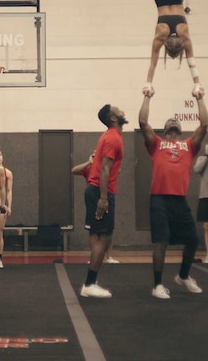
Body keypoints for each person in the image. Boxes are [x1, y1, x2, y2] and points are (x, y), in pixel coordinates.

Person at [139, 89, 208, 299]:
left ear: (180, 129)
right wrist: (148, 96)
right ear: (166, 129)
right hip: (159, 198)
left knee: (193, 241)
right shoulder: (157, 144)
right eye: (170, 122)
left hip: (179, 200)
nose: (173, 123)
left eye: (176, 122)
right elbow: (143, 122)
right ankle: (157, 285)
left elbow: (204, 125)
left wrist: (200, 98)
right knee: (162, 242)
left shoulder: (189, 145)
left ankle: (184, 276)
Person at [80, 105, 127, 298]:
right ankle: (89, 284)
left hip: (100, 191)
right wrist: (104, 198)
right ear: (113, 118)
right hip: (100, 192)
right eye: (118, 109)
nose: (122, 110)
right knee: (103, 237)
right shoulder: (112, 138)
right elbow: (105, 169)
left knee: (104, 237)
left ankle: (92, 281)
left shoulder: (112, 136)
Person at [71, 152, 119, 265]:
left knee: (109, 229)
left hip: (108, 194)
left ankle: (109, 257)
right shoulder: (90, 167)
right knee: (93, 229)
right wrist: (89, 162)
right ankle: (95, 256)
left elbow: (118, 170)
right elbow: (74, 170)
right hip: (93, 195)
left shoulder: (108, 165)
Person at [0, 148, 13, 269]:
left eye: (0, 154)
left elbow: (9, 190)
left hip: (1, 205)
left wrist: (8, 205)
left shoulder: (8, 173)